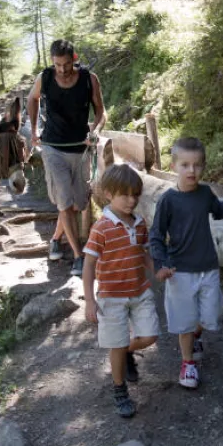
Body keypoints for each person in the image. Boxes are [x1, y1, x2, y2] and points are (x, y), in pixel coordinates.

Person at [149, 137, 223, 389]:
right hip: (179, 272)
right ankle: (188, 362)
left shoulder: (204, 194)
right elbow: (156, 235)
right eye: (185, 165)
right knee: (184, 321)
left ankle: (195, 335)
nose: (192, 171)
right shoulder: (168, 200)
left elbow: (220, 209)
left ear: (203, 166)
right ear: (174, 165)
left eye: (197, 165)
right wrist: (161, 264)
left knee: (212, 313)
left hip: (208, 267)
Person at [82, 164, 159, 418]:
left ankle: (126, 351)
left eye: (135, 194)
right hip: (111, 297)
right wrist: (90, 301)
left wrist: (157, 270)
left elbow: (144, 253)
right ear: (108, 195)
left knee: (150, 336)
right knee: (115, 345)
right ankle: (119, 390)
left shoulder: (139, 223)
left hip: (140, 291)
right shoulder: (101, 228)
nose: (131, 200)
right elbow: (89, 266)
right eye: (124, 194)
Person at [28, 39, 106, 276]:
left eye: (65, 64)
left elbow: (101, 112)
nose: (61, 70)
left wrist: (95, 131)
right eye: (57, 65)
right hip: (53, 148)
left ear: (73, 59)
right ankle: (78, 255)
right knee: (64, 200)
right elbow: (33, 99)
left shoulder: (89, 79)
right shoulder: (45, 78)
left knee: (78, 203)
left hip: (80, 149)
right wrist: (33, 131)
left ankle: (55, 239)